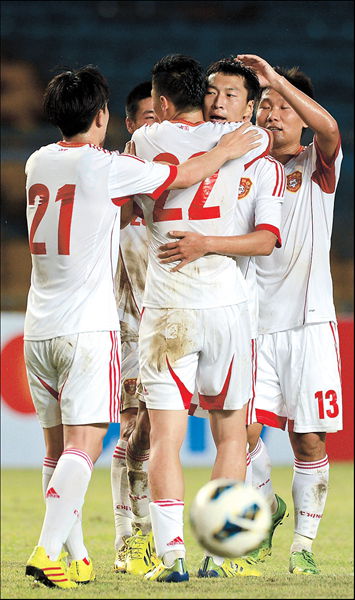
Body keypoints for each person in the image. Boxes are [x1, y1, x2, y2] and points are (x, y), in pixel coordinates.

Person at [23, 64, 253, 589]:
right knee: (84, 444)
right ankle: (45, 549)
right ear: (102, 116)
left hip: (38, 326)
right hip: (85, 327)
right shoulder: (104, 166)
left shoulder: (36, 162)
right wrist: (221, 152)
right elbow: (182, 176)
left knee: (55, 451)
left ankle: (75, 558)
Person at [161, 53, 343, 575]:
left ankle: (303, 547)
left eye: (284, 106)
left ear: (301, 114)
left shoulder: (317, 164)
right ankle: (265, 508)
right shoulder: (240, 166)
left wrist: (275, 80)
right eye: (265, 105)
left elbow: (329, 128)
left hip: (308, 322)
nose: (272, 114)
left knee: (308, 439)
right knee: (240, 432)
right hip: (249, 322)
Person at [128, 53, 277, 583]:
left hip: (170, 307)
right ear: (201, 95)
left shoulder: (145, 141)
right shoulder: (255, 148)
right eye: (212, 93)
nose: (219, 102)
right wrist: (232, 138)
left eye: (229, 94)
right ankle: (215, 555)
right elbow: (264, 234)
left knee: (168, 437)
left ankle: (180, 560)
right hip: (226, 310)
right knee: (231, 436)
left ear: (162, 101)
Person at [111, 81, 157, 575]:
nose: (154, 128)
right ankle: (129, 539)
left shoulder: (178, 177)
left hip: (179, 323)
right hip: (130, 326)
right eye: (146, 119)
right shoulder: (119, 177)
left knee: (156, 436)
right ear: (130, 124)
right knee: (131, 433)